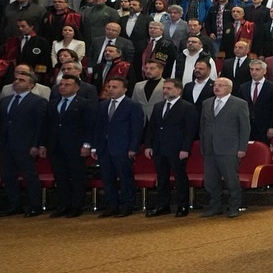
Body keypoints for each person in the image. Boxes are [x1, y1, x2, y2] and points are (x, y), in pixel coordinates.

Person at [88, 76, 145, 217]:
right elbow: (98, 128)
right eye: (109, 87)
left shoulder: (133, 106)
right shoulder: (102, 105)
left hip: (123, 148)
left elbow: (136, 129)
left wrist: (133, 148)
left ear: (124, 89)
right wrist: (94, 147)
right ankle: (112, 205)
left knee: (125, 178)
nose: (111, 90)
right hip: (104, 148)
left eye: (115, 87)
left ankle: (127, 205)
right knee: (107, 178)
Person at [0, 71, 48, 217]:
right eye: (15, 79)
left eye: (21, 80)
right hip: (6, 145)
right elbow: (0, 124)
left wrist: (37, 144)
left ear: (31, 85)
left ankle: (35, 206)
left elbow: (40, 125)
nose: (16, 82)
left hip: (26, 144)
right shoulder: (5, 100)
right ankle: (14, 205)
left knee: (30, 176)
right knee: (8, 176)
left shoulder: (38, 101)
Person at [142, 78, 198, 218]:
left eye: (169, 88)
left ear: (178, 90)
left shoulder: (187, 107)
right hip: (159, 148)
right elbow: (152, 128)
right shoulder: (159, 106)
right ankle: (163, 205)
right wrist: (148, 145)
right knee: (162, 178)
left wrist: (185, 149)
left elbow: (190, 131)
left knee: (180, 178)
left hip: (177, 149)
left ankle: (182, 205)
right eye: (164, 88)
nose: (165, 90)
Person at [40, 74, 93, 218]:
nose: (62, 87)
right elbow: (46, 126)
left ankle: (77, 206)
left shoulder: (84, 104)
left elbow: (89, 126)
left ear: (76, 87)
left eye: (67, 85)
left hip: (75, 145)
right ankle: (63, 205)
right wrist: (43, 144)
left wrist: (87, 145)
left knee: (77, 176)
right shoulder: (52, 103)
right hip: (55, 145)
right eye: (61, 84)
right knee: (60, 176)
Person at [198, 76, 251, 218]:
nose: (217, 87)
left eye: (221, 85)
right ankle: (215, 206)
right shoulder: (207, 103)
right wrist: (203, 146)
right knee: (210, 181)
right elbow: (203, 127)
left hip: (229, 148)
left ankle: (234, 206)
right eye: (215, 85)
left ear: (229, 88)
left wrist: (242, 148)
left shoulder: (239, 104)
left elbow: (245, 128)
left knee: (231, 180)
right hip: (209, 149)